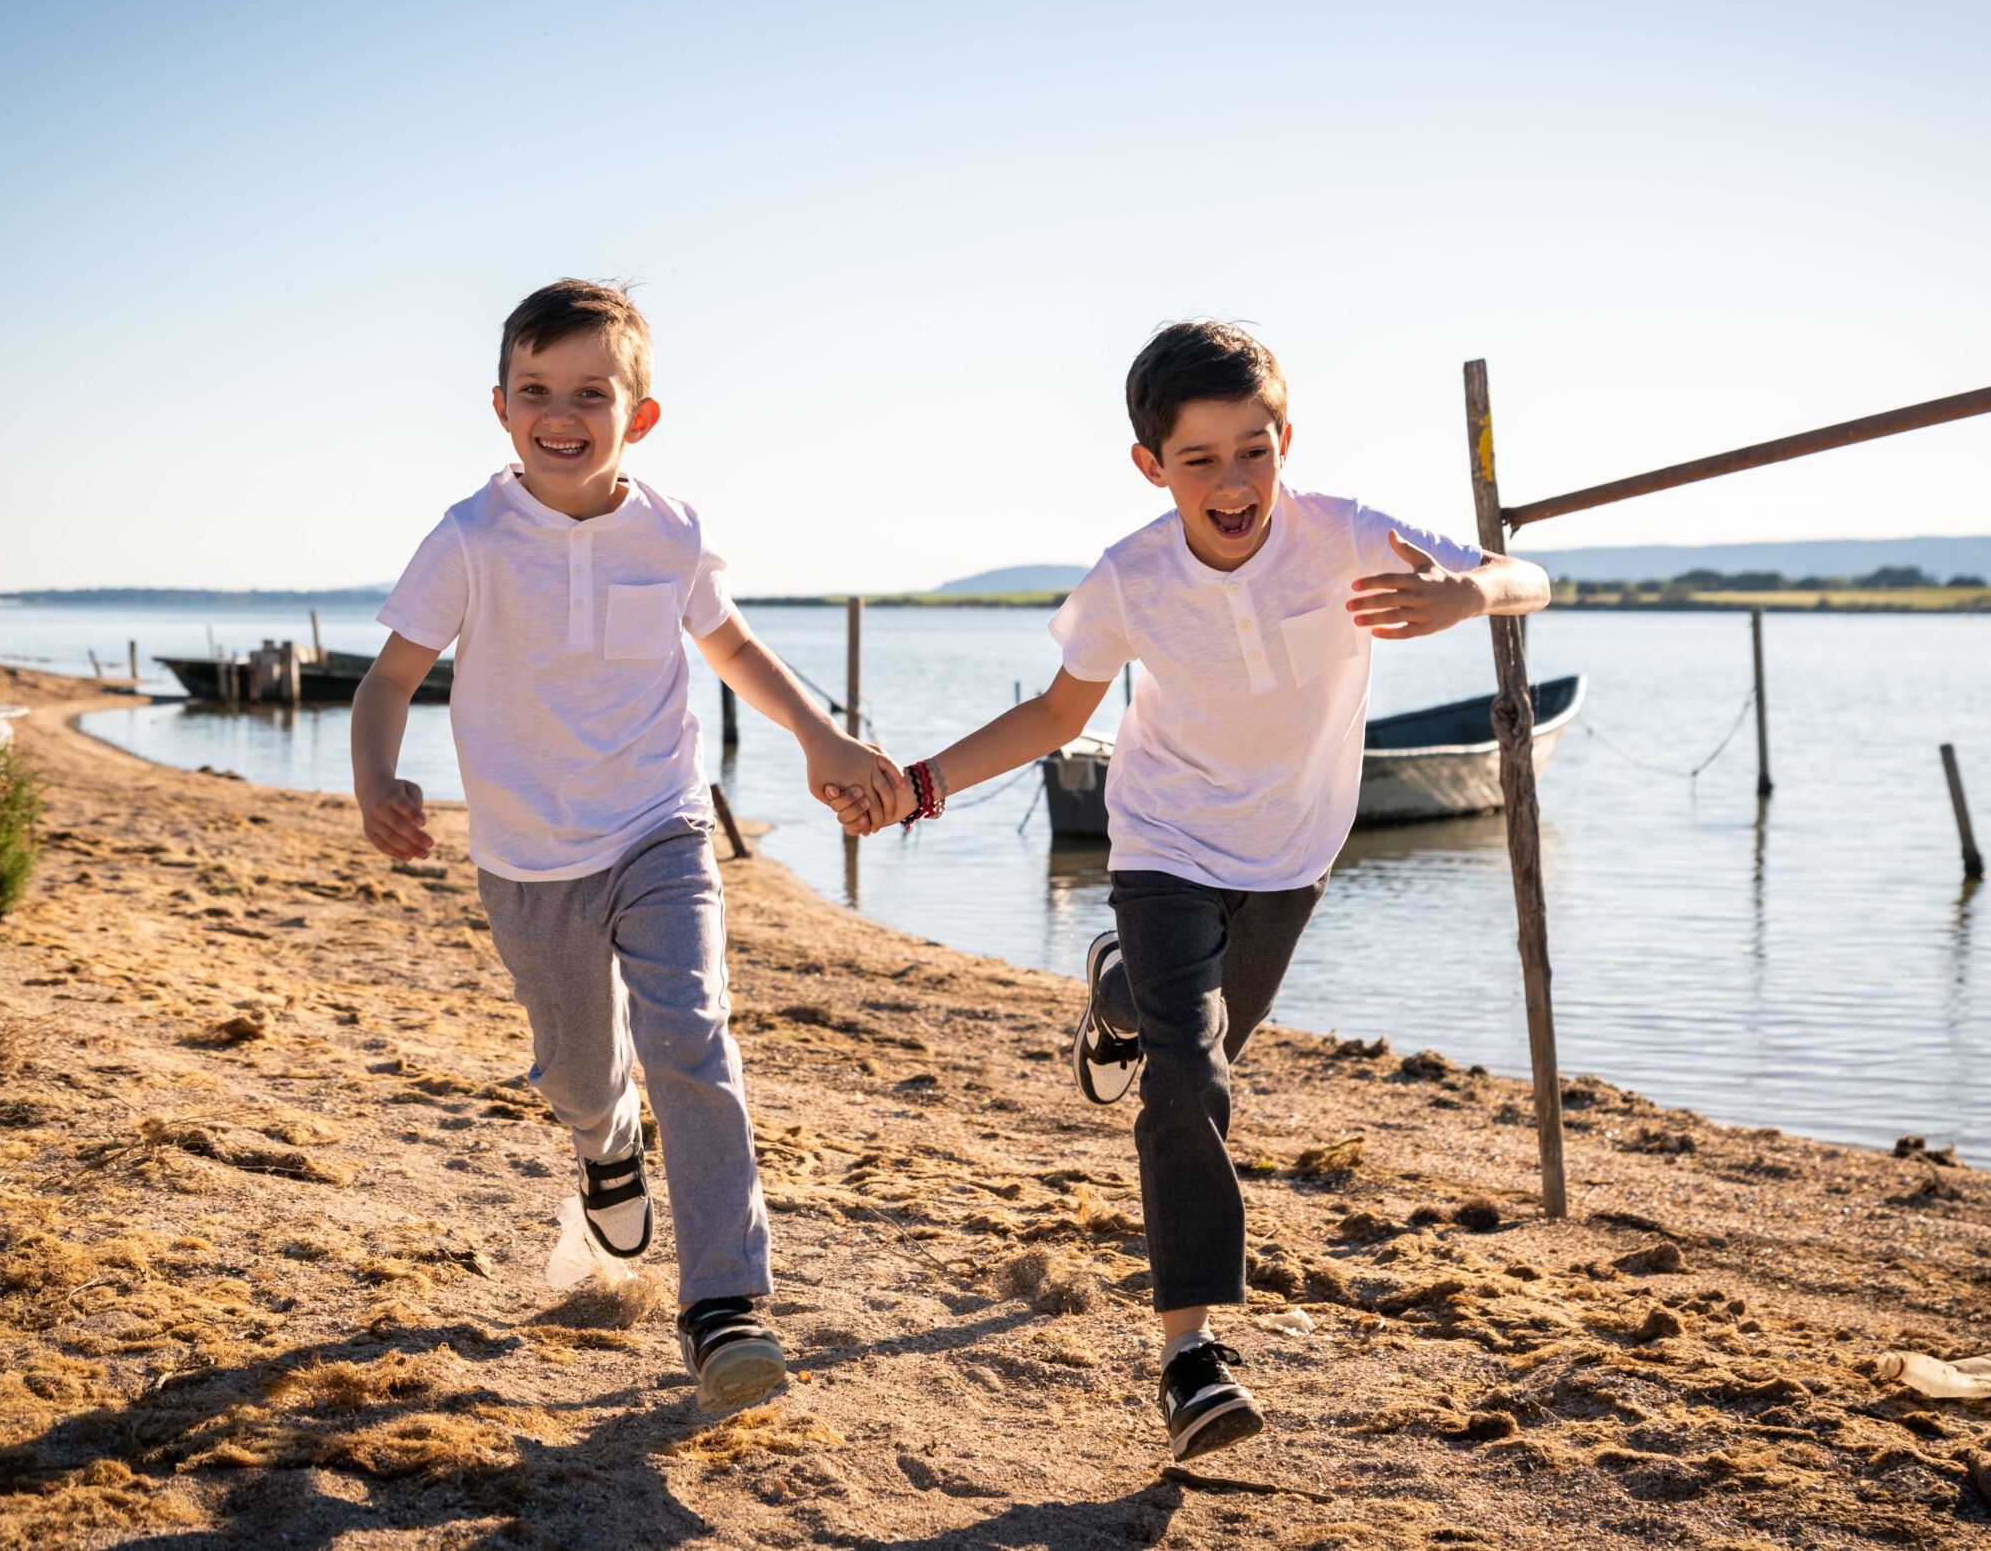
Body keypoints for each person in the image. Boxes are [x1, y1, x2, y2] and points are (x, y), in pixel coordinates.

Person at [862, 320, 1548, 1459]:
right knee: (1189, 1081)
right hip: (1163, 839)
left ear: (1287, 441)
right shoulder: (1131, 575)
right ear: (1151, 466)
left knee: (1198, 1039)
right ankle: (1192, 1356)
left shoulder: (1342, 531)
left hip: (1291, 856)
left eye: (1254, 451)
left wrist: (1468, 600)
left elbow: (1527, 573)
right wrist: (923, 785)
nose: (1234, 483)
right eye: (1201, 460)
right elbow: (1054, 717)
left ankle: (1118, 991)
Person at [351, 278, 905, 1413]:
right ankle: (606, 1148)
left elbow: (734, 649)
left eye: (590, 392)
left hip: (660, 821)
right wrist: (375, 777)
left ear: (637, 415)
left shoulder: (676, 529)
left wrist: (821, 736)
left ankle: (724, 1307)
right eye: (537, 391)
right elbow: (390, 678)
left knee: (692, 1040)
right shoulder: (469, 538)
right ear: (501, 408)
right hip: (525, 853)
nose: (564, 414)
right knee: (573, 1068)